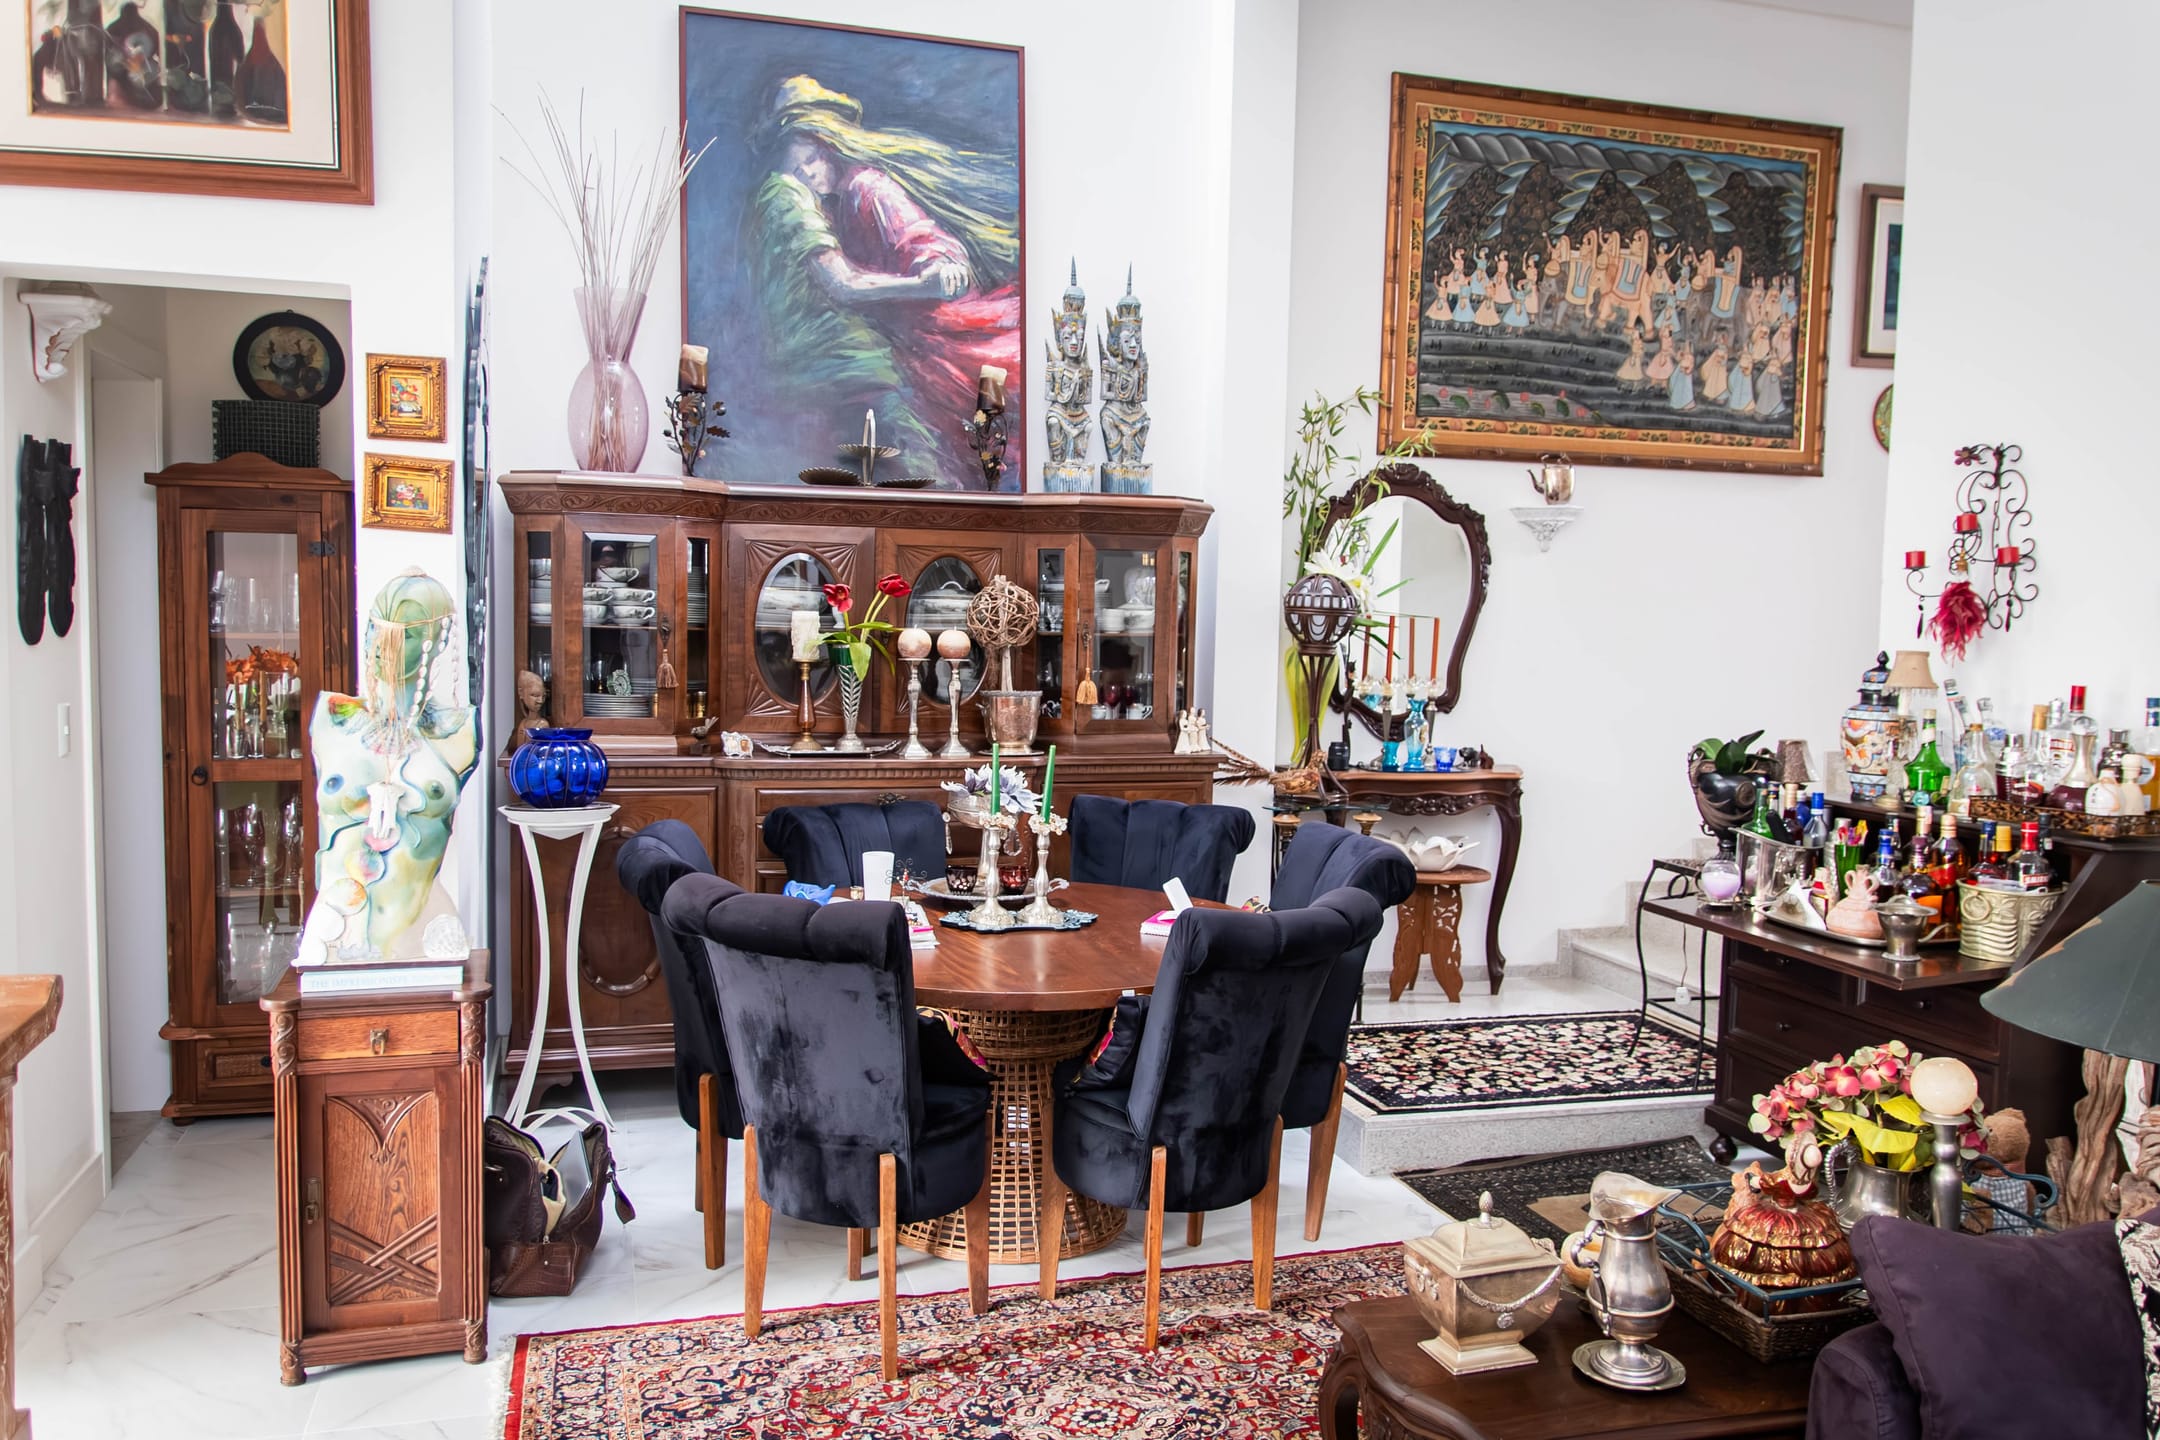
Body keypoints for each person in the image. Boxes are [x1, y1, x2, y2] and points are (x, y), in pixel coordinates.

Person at [742, 75, 1021, 486]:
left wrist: (936, 272)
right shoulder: (811, 203)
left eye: (812, 156)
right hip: (881, 358)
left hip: (917, 344)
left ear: (830, 142)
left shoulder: (867, 189)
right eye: (797, 161)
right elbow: (841, 285)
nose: (806, 171)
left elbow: (922, 245)